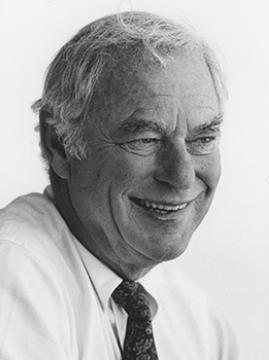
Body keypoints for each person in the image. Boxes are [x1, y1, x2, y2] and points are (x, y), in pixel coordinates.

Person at [0, 11, 238, 360]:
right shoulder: (12, 274)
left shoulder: (199, 322)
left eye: (202, 138)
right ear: (60, 145)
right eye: (145, 139)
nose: (183, 176)